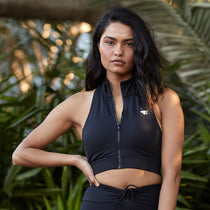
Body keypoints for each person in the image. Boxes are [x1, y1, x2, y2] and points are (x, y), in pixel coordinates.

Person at [12, 7, 184, 210]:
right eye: (110, 42)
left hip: (148, 202)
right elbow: (21, 154)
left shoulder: (163, 99)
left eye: (129, 44)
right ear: (98, 46)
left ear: (139, 49)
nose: (118, 51)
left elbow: (173, 172)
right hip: (99, 202)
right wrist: (75, 160)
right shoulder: (79, 103)